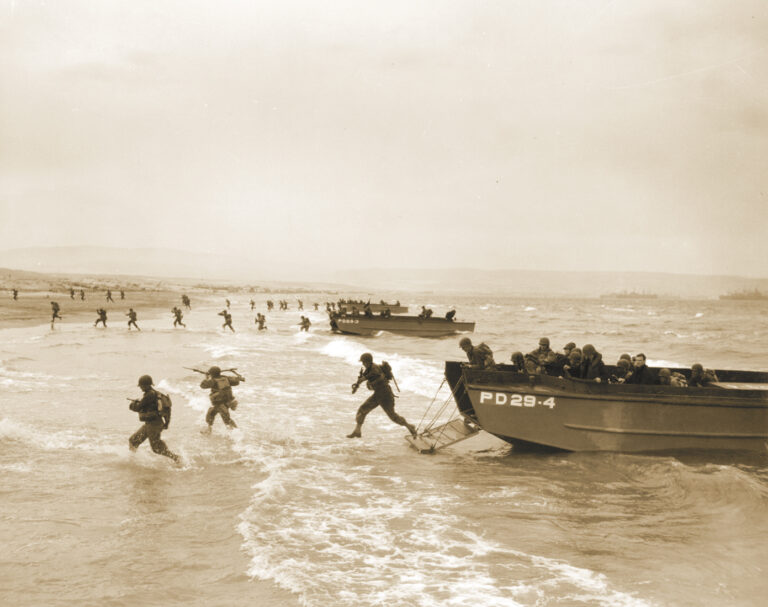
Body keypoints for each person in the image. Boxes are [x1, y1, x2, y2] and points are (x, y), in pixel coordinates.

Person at [347, 353, 417, 439]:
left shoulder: (374, 369)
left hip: (385, 395)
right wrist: (357, 386)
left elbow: (376, 377)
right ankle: (357, 431)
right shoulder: (369, 368)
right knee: (363, 410)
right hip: (379, 394)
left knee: (392, 416)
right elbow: (362, 378)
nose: (362, 364)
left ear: (368, 362)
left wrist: (366, 381)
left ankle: (410, 427)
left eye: (363, 362)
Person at [128, 374, 179, 462]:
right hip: (152, 424)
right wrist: (167, 423)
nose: (140, 388)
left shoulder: (149, 395)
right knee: (133, 440)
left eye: (141, 386)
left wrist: (133, 404)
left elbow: (137, 408)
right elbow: (167, 409)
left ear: (146, 385)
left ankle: (176, 458)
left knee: (156, 448)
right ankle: (132, 460)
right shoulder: (156, 394)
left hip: (153, 425)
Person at [200, 366, 243, 432]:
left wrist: (206, 377)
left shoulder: (213, 381)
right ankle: (209, 429)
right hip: (228, 402)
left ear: (212, 374)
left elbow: (202, 385)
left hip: (219, 403)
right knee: (211, 414)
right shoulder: (226, 378)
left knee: (226, 420)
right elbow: (236, 382)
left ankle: (236, 433)